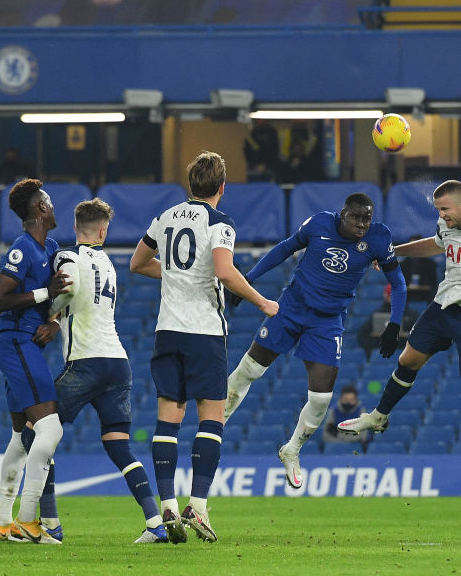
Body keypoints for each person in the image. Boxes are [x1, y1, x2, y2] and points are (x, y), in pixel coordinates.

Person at [339, 179, 461, 508]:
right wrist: (393, 253)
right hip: (442, 309)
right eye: (438, 210)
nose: (441, 216)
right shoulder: (447, 225)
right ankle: (379, 416)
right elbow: (434, 244)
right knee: (407, 360)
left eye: (445, 210)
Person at [130, 151, 278, 543]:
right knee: (211, 419)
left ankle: (167, 506)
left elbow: (137, 263)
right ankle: (198, 505)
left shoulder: (165, 218)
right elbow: (225, 272)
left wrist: (175, 277)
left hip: (168, 332)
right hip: (205, 333)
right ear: (222, 188)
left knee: (168, 421)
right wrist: (263, 302)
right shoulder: (220, 222)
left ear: (190, 185)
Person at [225, 192, 407, 490]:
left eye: (367, 219)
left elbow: (398, 283)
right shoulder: (319, 223)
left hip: (328, 321)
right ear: (342, 214)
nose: (362, 224)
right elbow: (284, 249)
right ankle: (217, 423)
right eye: (357, 218)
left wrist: (394, 324)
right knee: (251, 370)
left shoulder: (378, 238)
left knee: (321, 400)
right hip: (292, 308)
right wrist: (249, 280)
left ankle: (292, 450)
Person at [47, 198, 168, 544]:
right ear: (103, 231)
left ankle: (50, 525)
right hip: (118, 363)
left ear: (75, 228)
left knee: (36, 435)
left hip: (85, 362)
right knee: (120, 447)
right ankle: (154, 522)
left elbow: (67, 285)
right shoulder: (109, 264)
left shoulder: (68, 256)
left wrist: (51, 314)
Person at [0, 179, 70, 545]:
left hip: (27, 341)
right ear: (39, 209)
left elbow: (56, 299)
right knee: (50, 429)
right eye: (48, 201)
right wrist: (43, 293)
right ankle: (28, 521)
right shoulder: (23, 248)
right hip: (16, 340)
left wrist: (52, 320)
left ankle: (2, 523)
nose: (53, 206)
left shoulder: (49, 247)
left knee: (23, 438)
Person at [356, 283, 418, 360]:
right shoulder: (378, 314)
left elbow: (419, 333)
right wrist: (374, 348)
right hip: (381, 354)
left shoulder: (411, 314)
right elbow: (362, 334)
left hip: (403, 351)